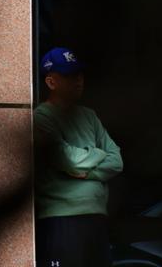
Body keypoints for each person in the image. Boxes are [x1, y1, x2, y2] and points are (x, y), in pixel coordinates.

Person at [34, 47, 123, 267]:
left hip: (96, 216)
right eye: (68, 75)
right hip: (60, 219)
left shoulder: (89, 116)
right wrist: (98, 153)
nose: (78, 80)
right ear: (51, 82)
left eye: (79, 74)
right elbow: (68, 159)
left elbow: (117, 161)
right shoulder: (41, 116)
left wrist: (86, 170)